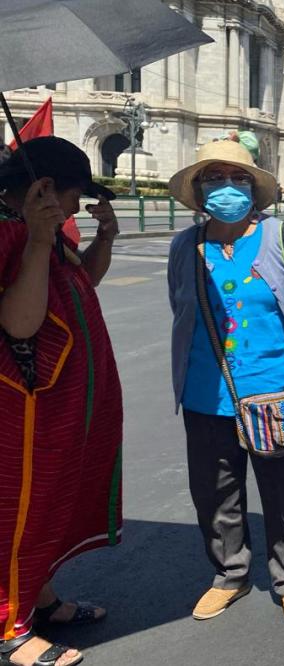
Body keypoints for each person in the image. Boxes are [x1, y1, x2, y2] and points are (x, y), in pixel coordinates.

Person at [166, 139, 284, 627]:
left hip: (274, 392)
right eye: (215, 178)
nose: (228, 187)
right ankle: (229, 575)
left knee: (282, 493)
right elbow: (181, 311)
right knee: (215, 492)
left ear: (255, 189)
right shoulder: (184, 247)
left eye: (239, 178)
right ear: (200, 190)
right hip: (204, 393)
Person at [0, 137, 123, 666]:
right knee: (19, 515)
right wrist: (34, 242)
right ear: (46, 188)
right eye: (76, 195)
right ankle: (10, 628)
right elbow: (20, 325)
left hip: (58, 413)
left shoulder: (44, 233)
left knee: (47, 507)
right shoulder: (12, 235)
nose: (78, 206)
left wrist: (105, 238)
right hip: (24, 416)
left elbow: (80, 283)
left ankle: (38, 599)